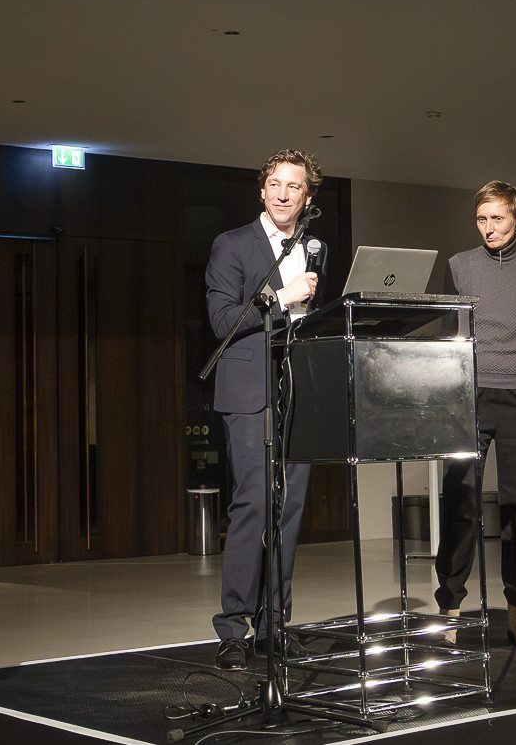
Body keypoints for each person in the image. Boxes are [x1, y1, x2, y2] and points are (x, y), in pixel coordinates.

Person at [206, 149, 327, 670]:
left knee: (290, 510)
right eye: (274, 184)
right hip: (249, 392)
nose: (282, 193)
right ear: (262, 191)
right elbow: (222, 319)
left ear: (307, 196)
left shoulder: (315, 247)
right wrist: (281, 296)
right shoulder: (231, 245)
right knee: (252, 506)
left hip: (297, 389)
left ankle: (276, 625)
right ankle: (234, 628)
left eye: (293, 187)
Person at [436, 181, 516, 647]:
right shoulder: (459, 267)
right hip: (470, 396)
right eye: (482, 219)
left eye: (498, 219)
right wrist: (452, 394)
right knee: (459, 502)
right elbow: (451, 335)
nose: (489, 228)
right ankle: (450, 607)